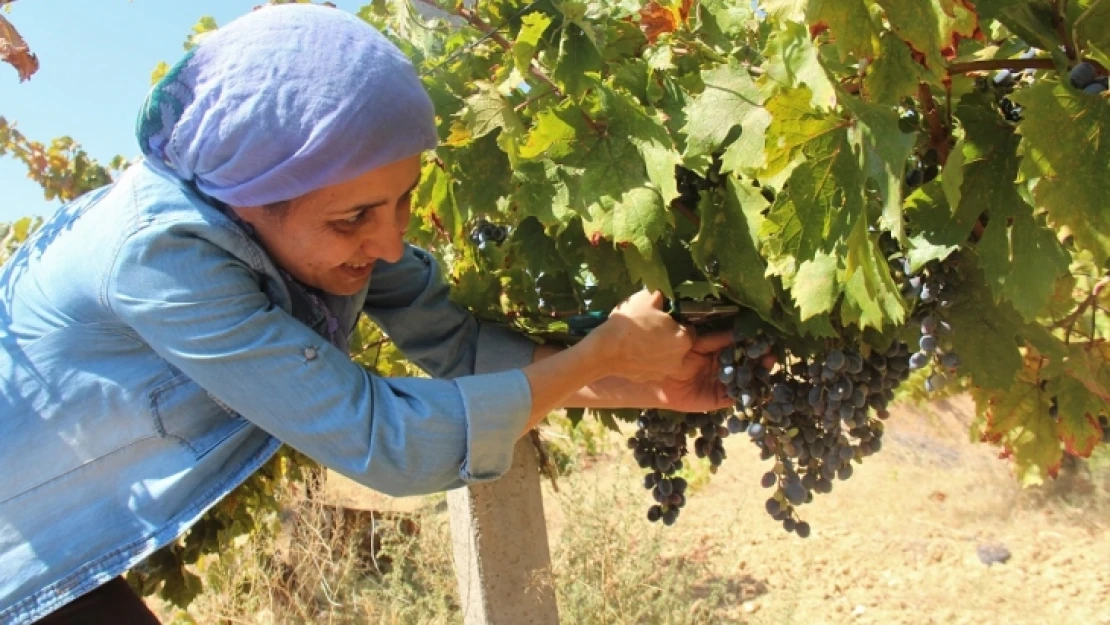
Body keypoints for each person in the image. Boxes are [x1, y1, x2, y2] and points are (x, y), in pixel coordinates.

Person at [0, 5, 733, 624]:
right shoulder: (158, 259)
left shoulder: (317, 222)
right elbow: (389, 443)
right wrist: (603, 353)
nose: (389, 243)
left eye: (406, 198)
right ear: (253, 201)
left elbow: (463, 344)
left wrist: (656, 383)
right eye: (354, 218)